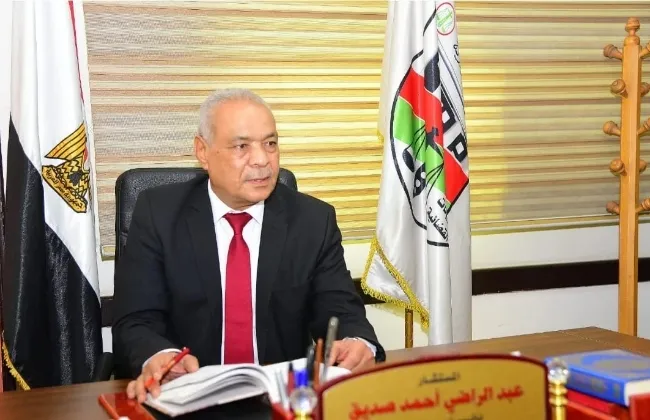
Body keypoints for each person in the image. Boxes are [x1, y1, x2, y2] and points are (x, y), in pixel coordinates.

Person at [112, 88, 385, 402]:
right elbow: (136, 321)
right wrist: (161, 356)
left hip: (280, 400)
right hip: (187, 397)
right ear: (202, 151)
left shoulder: (312, 221)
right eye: (242, 146)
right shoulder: (158, 214)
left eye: (270, 144)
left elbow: (341, 312)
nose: (262, 160)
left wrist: (359, 343)